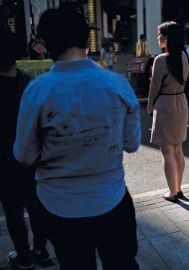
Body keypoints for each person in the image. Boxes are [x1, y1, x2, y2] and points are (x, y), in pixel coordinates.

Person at [13, 7, 141, 270]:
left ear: (46, 44)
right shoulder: (117, 84)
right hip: (112, 199)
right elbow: (132, 143)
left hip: (60, 206)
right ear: (86, 40)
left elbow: (24, 155)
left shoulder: (37, 91)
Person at [0, 28, 50, 270]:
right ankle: (40, 251)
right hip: (32, 156)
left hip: (4, 161)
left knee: (13, 209)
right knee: (36, 206)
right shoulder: (30, 82)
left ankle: (23, 255)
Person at [147, 21, 189, 202]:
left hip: (165, 103)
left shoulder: (161, 59)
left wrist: (150, 107)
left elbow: (154, 87)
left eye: (159, 35)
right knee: (178, 148)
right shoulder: (183, 56)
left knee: (166, 151)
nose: (158, 38)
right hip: (181, 101)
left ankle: (172, 192)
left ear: (166, 38)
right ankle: (178, 189)